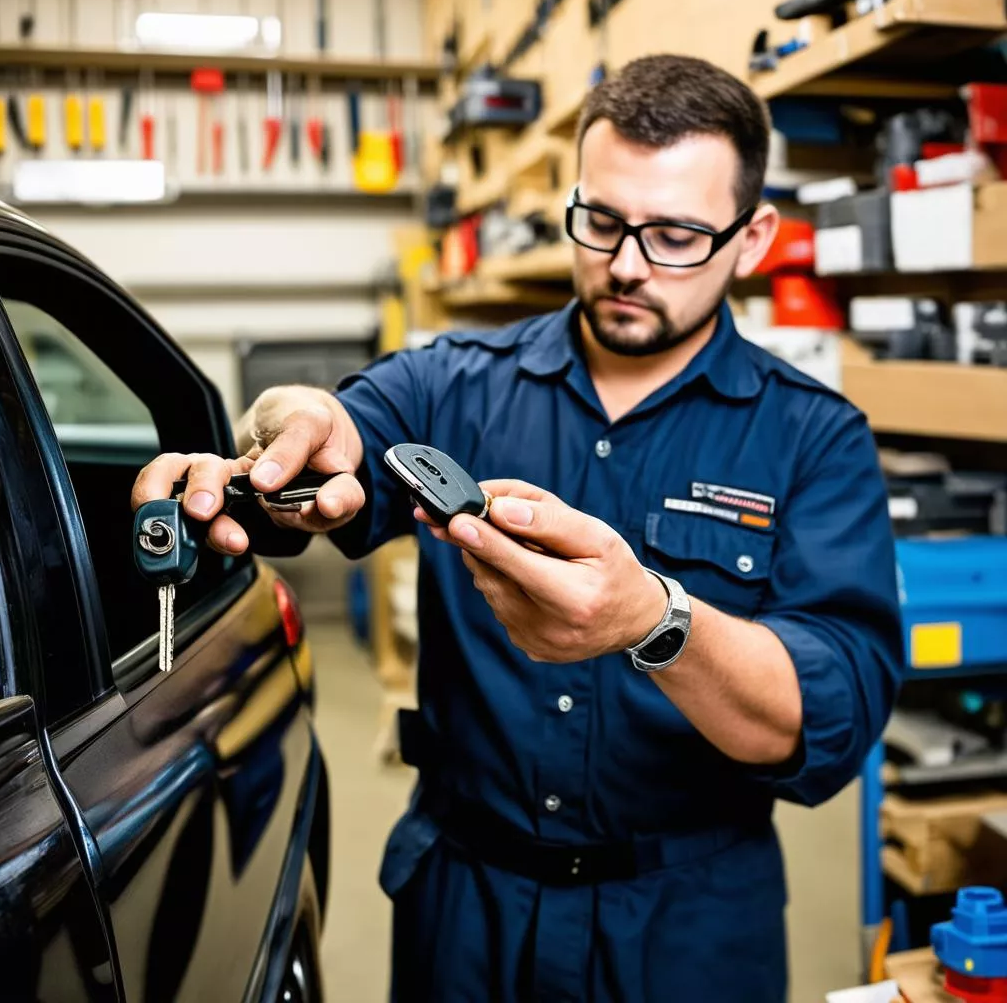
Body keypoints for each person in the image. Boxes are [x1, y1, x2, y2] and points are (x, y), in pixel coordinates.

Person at [133, 54, 904, 1002]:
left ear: (752, 239)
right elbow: (340, 440)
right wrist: (290, 435)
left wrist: (656, 622)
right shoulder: (451, 383)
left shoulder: (816, 439)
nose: (626, 265)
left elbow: (829, 713)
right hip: (467, 909)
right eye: (602, 222)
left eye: (674, 236)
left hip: (686, 926)